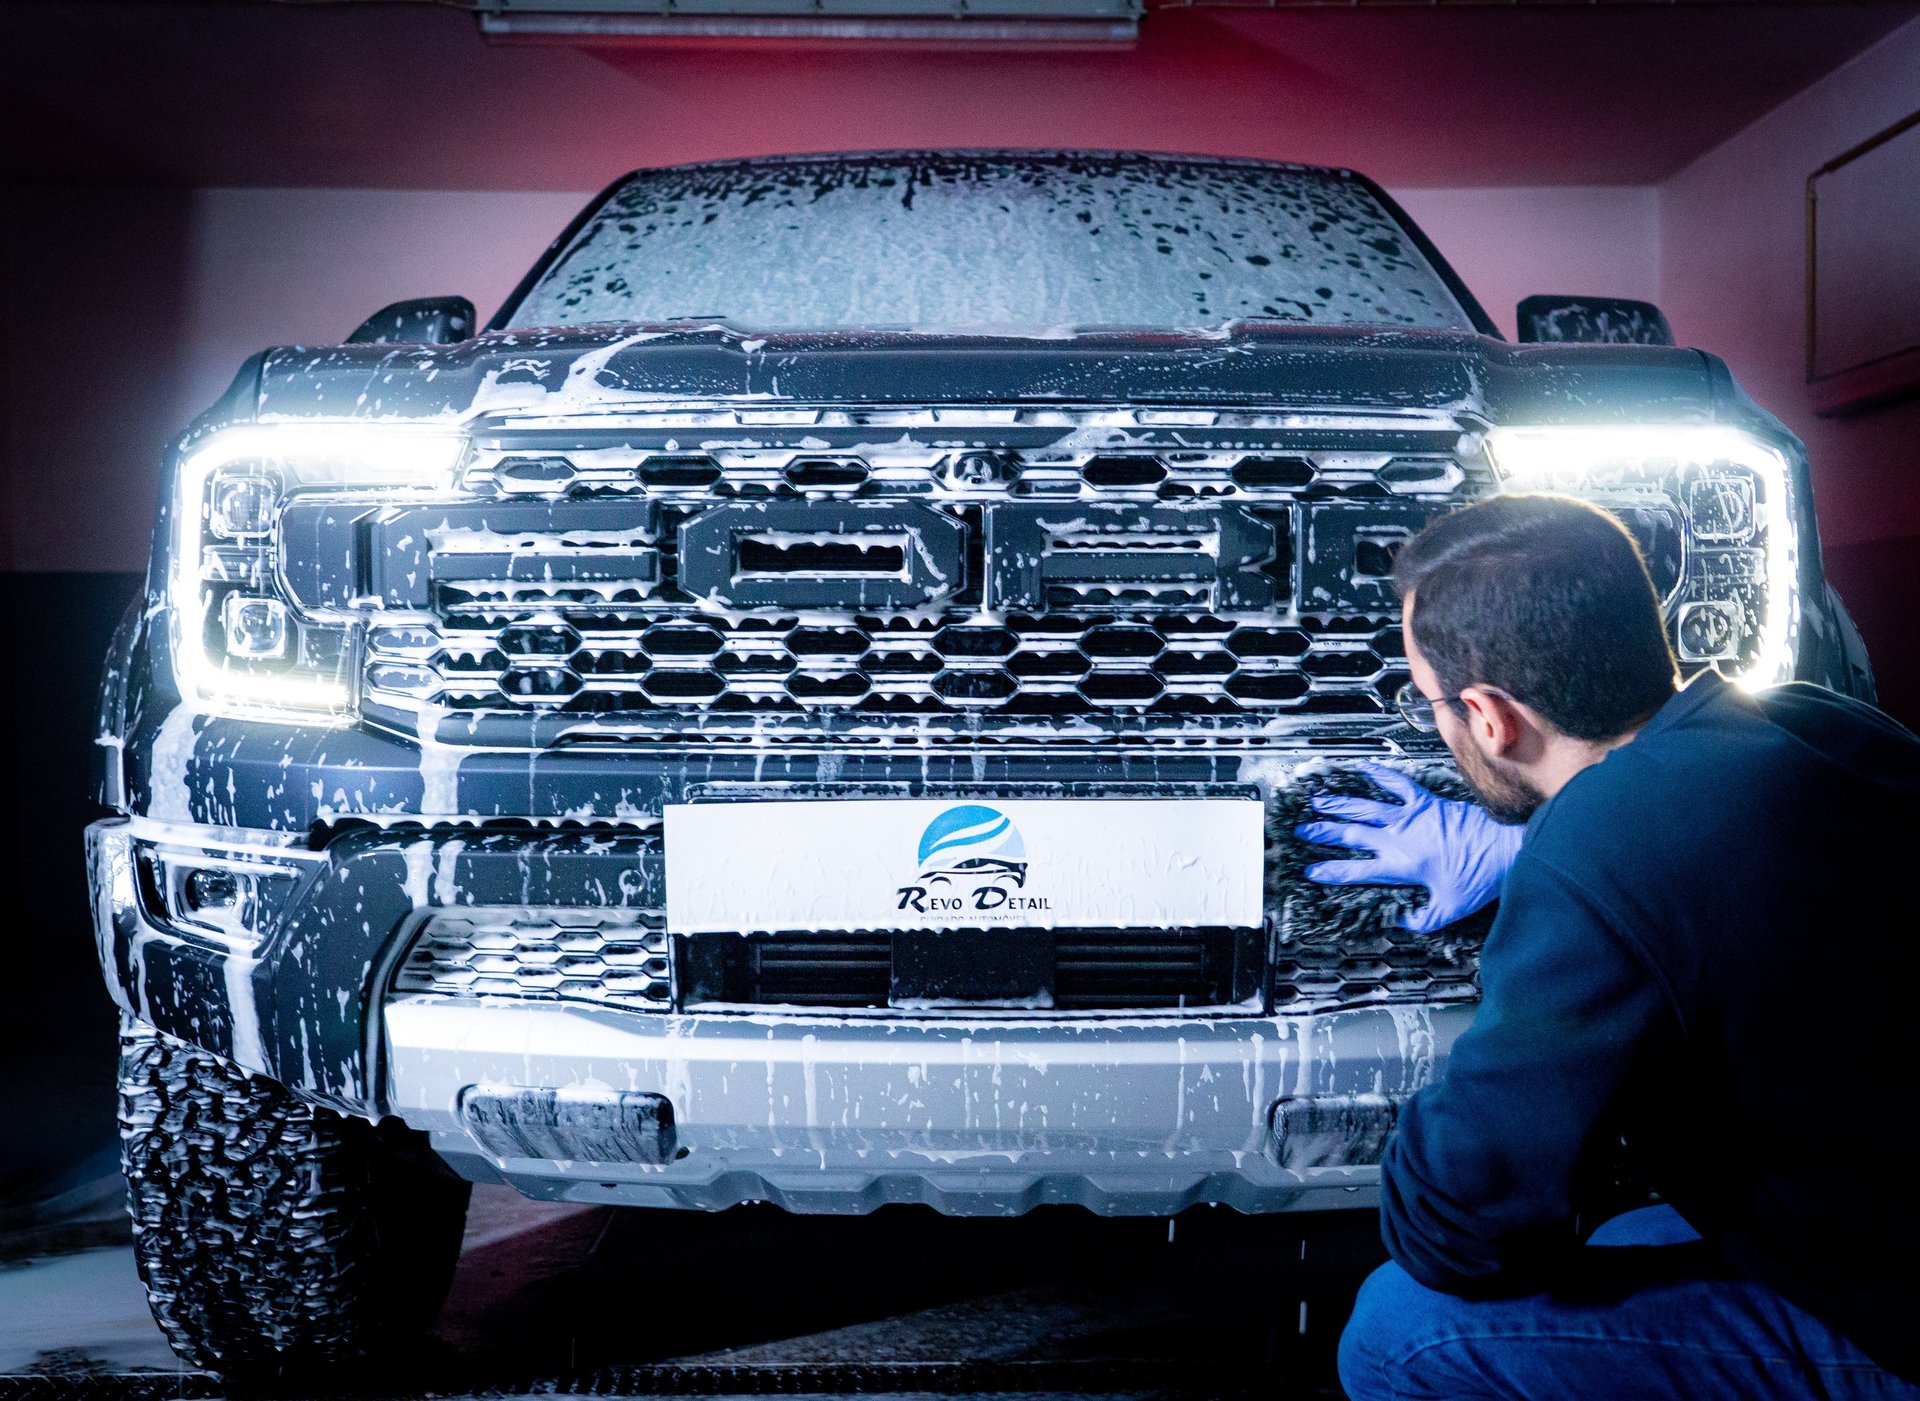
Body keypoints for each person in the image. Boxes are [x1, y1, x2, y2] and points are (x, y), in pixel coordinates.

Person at [1296, 493, 1920, 1400]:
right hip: (1884, 1214)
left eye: (1426, 700)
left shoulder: (1598, 853)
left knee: (1402, 1331)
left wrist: (1545, 904)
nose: (1433, 723)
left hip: (1898, 1318)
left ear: (1490, 715)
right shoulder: (1818, 721)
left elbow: (1456, 1229)